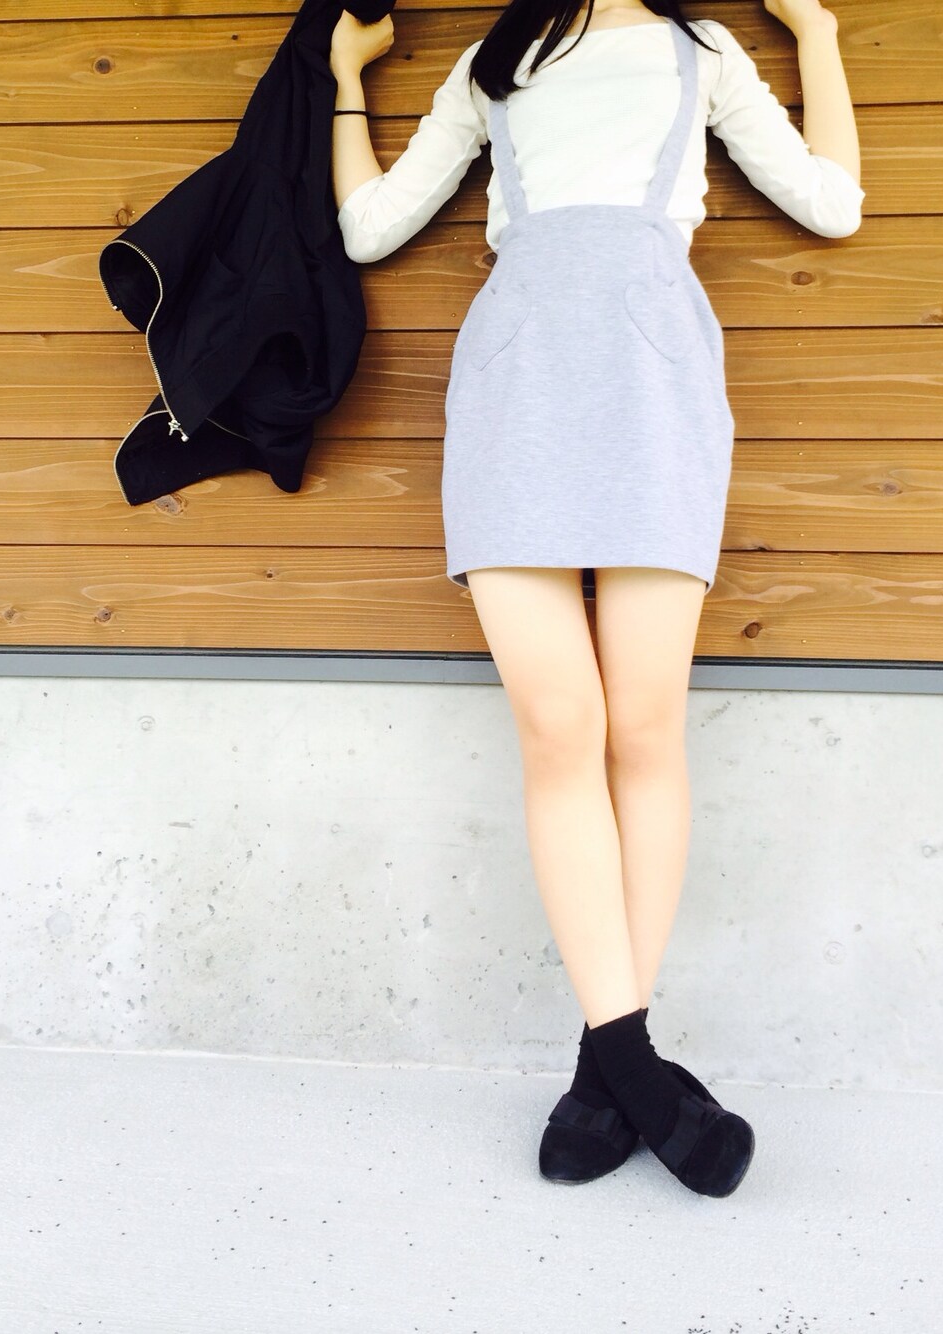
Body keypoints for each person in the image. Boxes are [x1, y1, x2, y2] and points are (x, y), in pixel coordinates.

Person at [327, 0, 863, 1197]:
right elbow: (369, 228)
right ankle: (636, 1071)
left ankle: (601, 1066)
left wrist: (817, 34)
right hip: (514, 393)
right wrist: (342, 77)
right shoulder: (494, 64)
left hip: (653, 392)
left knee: (643, 728)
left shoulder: (702, 53)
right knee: (559, 725)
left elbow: (832, 203)